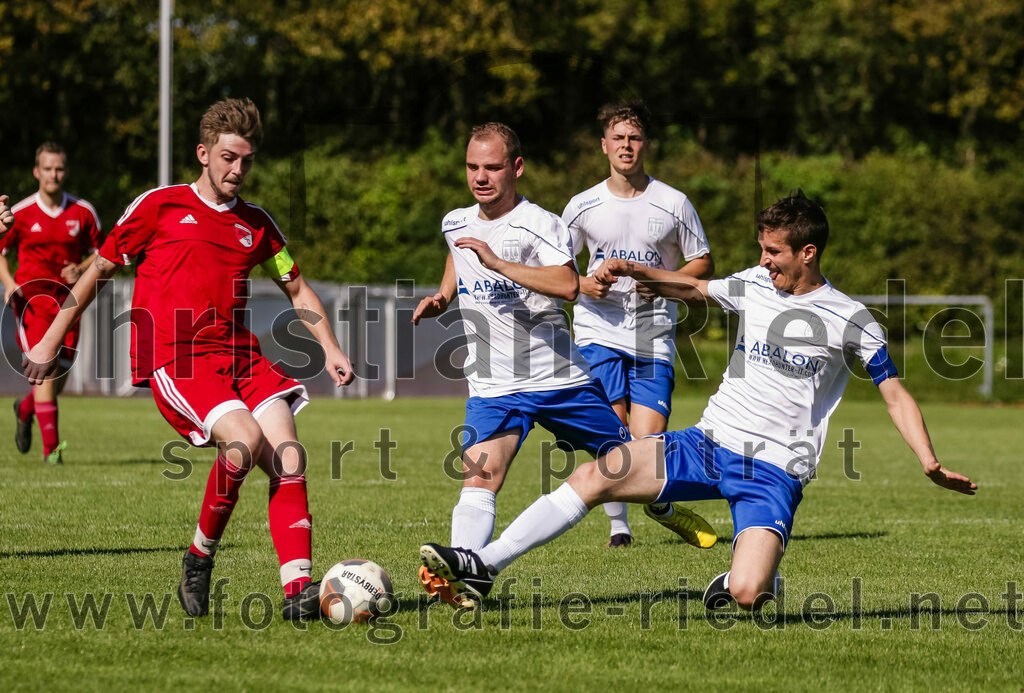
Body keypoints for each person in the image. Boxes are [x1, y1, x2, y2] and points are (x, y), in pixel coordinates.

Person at [419, 190, 977, 611]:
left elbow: (896, 394)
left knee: (747, 593)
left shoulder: (851, 319)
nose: (764, 261)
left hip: (775, 472)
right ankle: (483, 564)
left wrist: (928, 461)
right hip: (708, 443)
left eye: (774, 252)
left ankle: (752, 574)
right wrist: (635, 270)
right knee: (599, 474)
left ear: (808, 252)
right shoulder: (757, 285)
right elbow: (693, 288)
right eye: (762, 249)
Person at [24, 98, 355, 620]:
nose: (238, 170)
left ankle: (298, 593)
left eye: (246, 160)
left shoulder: (257, 224)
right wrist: (48, 340)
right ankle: (199, 557)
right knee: (243, 441)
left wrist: (332, 349)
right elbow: (96, 275)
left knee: (289, 458)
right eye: (228, 158)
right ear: (204, 153)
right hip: (176, 357)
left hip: (240, 356)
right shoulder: (158, 206)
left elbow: (298, 289)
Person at [412, 122, 716, 608]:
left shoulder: (542, 223)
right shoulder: (454, 221)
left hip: (558, 380)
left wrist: (499, 264)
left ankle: (666, 501)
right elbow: (458, 253)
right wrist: (444, 295)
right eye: (472, 167)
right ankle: (464, 580)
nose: (480, 177)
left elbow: (567, 284)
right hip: (492, 384)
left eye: (492, 167)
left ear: (517, 167)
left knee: (629, 463)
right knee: (480, 479)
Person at [563, 100, 715, 547]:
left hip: (653, 338)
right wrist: (586, 285)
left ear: (644, 144)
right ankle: (619, 527)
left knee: (647, 444)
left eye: (634, 138)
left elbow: (701, 261)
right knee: (612, 434)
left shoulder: (673, 202)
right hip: (598, 332)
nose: (626, 146)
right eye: (618, 139)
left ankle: (660, 504)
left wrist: (665, 283)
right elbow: (559, 267)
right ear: (604, 146)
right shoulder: (582, 205)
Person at [1, 143, 102, 464]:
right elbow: (1, 253)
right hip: (32, 303)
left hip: (70, 303)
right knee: (43, 372)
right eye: (47, 169)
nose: (53, 175)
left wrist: (81, 269)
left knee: (60, 376)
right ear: (37, 172)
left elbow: (103, 252)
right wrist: (10, 284)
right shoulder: (21, 212)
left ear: (65, 171)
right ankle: (52, 453)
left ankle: (26, 407)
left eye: (58, 169)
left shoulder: (83, 212)